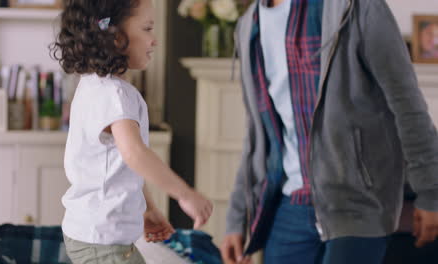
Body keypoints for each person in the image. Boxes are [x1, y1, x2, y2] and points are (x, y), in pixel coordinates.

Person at [221, 0, 438, 263]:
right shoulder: (248, 26)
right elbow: (258, 136)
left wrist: (430, 192)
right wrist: (236, 218)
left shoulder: (356, 7)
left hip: (357, 203)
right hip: (290, 207)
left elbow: (408, 106)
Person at [50, 0, 213, 263]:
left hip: (92, 234)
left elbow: (122, 165)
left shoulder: (93, 84)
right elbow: (135, 154)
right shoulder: (116, 94)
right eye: (147, 28)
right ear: (114, 37)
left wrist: (147, 209)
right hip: (104, 241)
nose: (154, 40)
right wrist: (185, 194)